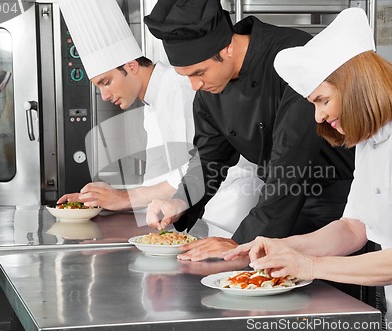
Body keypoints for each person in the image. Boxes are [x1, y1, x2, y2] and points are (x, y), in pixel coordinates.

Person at [225, 8, 392, 331]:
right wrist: (286, 247)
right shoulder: (372, 134)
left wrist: (309, 266)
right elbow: (353, 228)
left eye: (322, 100)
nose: (318, 117)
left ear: (354, 84)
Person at [143, 0, 355, 261]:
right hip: (276, 206)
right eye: (186, 76)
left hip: (335, 210)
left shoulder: (292, 55)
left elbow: (291, 161)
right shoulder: (210, 88)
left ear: (227, 48)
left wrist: (238, 242)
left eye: (199, 73)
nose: (195, 86)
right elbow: (209, 160)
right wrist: (180, 201)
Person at [57, 0, 262, 238]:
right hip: (194, 214)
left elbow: (190, 172)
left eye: (106, 82)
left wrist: (121, 199)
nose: (104, 96)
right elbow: (157, 178)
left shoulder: (179, 88)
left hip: (226, 212)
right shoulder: (151, 100)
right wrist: (102, 199)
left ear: (131, 66)